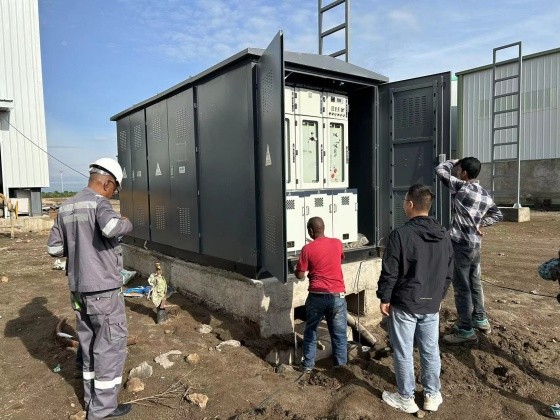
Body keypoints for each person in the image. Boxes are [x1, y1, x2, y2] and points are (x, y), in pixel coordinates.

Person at [47, 158, 133, 419]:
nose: (113, 193)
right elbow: (110, 227)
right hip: (103, 291)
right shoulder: (99, 203)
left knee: (89, 344)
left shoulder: (66, 206)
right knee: (109, 347)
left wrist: (77, 248)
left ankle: (90, 400)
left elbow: (53, 249)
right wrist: (127, 223)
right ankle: (102, 410)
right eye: (114, 189)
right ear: (107, 183)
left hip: (78, 291)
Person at [377, 184, 453, 414]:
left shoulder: (400, 235)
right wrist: (439, 296)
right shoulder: (444, 236)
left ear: (410, 205)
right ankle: (431, 394)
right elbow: (449, 272)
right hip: (431, 305)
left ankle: (406, 397)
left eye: (404, 202)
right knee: (430, 350)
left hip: (406, 302)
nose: (403, 206)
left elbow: (390, 271)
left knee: (403, 351)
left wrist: (384, 297)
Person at [435, 157, 503, 344]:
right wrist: (480, 224)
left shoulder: (461, 187)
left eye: (459, 169)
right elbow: (498, 215)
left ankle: (465, 330)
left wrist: (452, 161)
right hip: (475, 245)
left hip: (460, 245)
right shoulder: (485, 194)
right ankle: (480, 318)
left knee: (462, 288)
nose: (457, 171)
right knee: (475, 282)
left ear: (464, 173)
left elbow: (440, 170)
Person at [294, 216, 347, 372]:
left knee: (311, 331)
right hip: (337, 296)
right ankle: (341, 369)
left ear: (310, 231)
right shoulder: (337, 243)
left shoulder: (307, 249)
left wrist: (296, 270)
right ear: (323, 228)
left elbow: (300, 275)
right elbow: (338, 260)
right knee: (339, 334)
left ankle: (308, 366)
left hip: (316, 297)